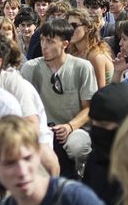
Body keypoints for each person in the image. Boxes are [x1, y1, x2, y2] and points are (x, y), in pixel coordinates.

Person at [20, 18, 96, 178]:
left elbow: (89, 108)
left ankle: (79, 177)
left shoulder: (82, 67)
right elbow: (24, 107)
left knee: (77, 146)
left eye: (50, 41)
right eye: (42, 40)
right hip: (41, 130)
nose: (44, 46)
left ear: (65, 44)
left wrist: (69, 126)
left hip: (74, 128)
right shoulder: (30, 68)